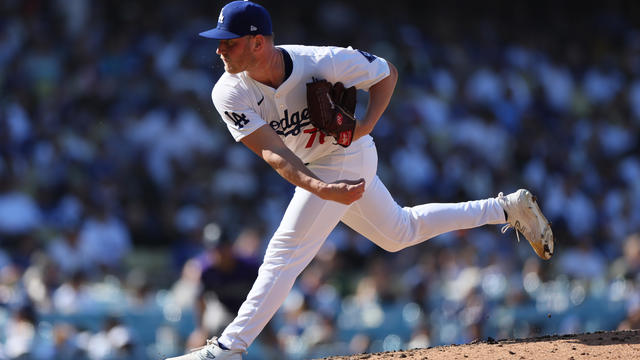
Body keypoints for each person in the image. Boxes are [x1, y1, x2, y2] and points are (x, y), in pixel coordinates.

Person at [166, 1, 554, 359]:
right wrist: (320, 188)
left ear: (256, 43)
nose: (219, 50)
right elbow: (273, 152)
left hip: (347, 155)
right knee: (399, 232)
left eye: (228, 43)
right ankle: (505, 208)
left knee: (284, 252)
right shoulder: (228, 91)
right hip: (314, 170)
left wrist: (366, 125)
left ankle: (230, 347)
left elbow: (387, 73)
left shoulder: (322, 62)